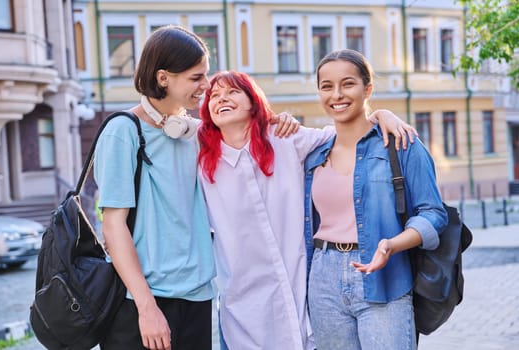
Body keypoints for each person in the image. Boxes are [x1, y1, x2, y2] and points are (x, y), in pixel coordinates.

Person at [197, 70, 417, 349]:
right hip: (242, 303)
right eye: (214, 96)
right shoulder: (200, 156)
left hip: (300, 291)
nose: (221, 99)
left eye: (232, 92)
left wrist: (380, 115)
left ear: (253, 101)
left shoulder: (286, 138)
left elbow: (344, 133)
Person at [303, 49, 448, 350]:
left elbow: (433, 212)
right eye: (326, 86)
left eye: (348, 84)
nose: (337, 94)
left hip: (385, 275)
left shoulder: (401, 144)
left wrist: (392, 244)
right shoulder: (312, 153)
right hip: (323, 278)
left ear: (367, 89)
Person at [94, 25, 216, 350]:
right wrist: (146, 307)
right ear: (163, 78)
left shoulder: (196, 133)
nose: (206, 85)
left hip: (198, 296)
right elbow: (113, 224)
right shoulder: (123, 131)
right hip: (141, 304)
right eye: (196, 77)